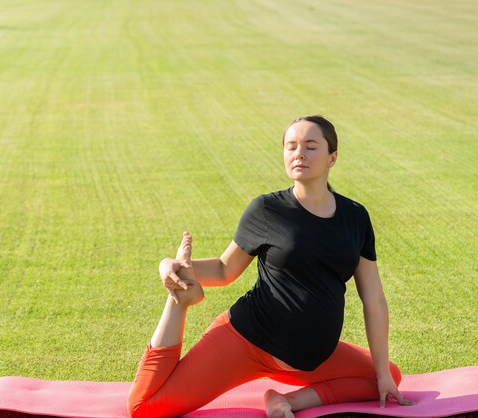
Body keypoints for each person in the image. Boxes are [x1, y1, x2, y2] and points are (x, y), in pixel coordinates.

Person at [127, 115, 413, 418]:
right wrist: (170, 266)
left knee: (387, 377)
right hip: (246, 342)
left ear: (333, 158)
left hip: (314, 358)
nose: (299, 153)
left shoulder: (355, 217)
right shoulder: (267, 210)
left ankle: (284, 401)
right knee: (146, 409)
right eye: (291, 147)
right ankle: (179, 303)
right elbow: (225, 270)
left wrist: (381, 371)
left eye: (311, 146)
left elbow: (374, 298)